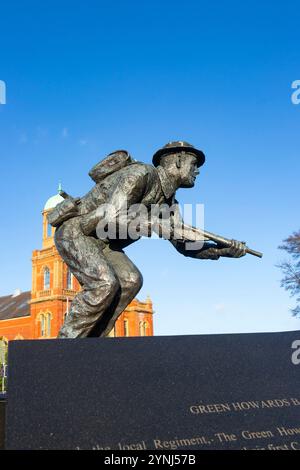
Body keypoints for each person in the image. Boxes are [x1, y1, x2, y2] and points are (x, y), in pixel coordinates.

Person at [52, 141, 246, 338]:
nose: (197, 171)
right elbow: (112, 216)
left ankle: (92, 341)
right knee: (105, 283)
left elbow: (186, 246)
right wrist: (154, 222)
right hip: (77, 233)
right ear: (178, 160)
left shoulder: (170, 205)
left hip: (104, 245)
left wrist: (223, 251)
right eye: (194, 164)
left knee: (130, 280)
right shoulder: (140, 174)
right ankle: (66, 344)